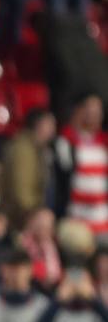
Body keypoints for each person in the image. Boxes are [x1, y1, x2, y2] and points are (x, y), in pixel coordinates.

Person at [54, 93, 107, 239]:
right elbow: (62, 179)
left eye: (97, 111)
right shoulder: (66, 141)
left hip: (103, 221)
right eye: (89, 110)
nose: (94, 115)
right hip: (76, 221)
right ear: (79, 111)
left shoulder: (104, 142)